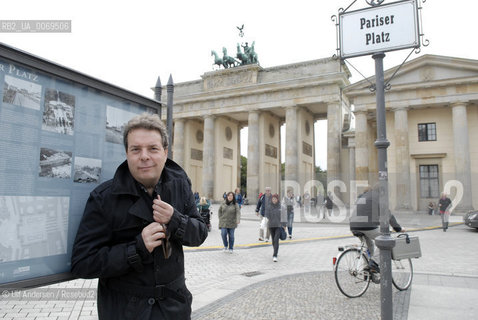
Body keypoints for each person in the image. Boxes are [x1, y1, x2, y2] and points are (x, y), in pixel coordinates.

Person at [71, 113, 208, 320]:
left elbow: (199, 234)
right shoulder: (104, 198)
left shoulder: (180, 184)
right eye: (136, 149)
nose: (144, 156)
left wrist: (176, 220)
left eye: (152, 148)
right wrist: (137, 248)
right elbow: (83, 262)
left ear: (165, 152)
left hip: (174, 309)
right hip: (125, 311)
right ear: (127, 153)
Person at [349, 186, 405, 273]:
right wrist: (398, 228)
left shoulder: (364, 197)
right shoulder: (377, 197)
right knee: (385, 240)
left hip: (353, 225)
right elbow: (387, 214)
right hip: (366, 225)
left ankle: (367, 270)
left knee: (369, 246)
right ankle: (374, 263)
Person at [266, 194, 287, 262]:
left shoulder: (281, 207)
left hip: (278, 225)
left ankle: (275, 255)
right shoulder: (269, 207)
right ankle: (275, 250)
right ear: (272, 199)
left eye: (275, 199)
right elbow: (266, 215)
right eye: (273, 199)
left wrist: (284, 225)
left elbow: (284, 216)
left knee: (276, 240)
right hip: (271, 226)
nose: (274, 200)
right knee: (273, 241)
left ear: (277, 199)